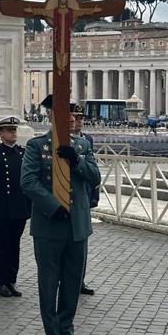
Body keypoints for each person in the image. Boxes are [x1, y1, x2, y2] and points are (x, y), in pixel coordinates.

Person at [21, 95, 100, 335]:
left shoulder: (82, 145)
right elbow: (28, 181)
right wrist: (52, 207)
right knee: (49, 282)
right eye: (63, 113)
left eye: (72, 114)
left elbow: (95, 177)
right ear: (51, 116)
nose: (69, 118)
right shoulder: (37, 145)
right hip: (50, 225)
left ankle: (67, 331)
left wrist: (76, 161)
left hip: (78, 225)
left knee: (71, 282)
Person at [0, 116, 31, 297]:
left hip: (18, 209)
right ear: (1, 133)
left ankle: (12, 280)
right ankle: (1, 282)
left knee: (14, 246)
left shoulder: (22, 153)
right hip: (1, 209)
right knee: (1, 246)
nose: (13, 132)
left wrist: (28, 208)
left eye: (15, 129)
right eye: (9, 130)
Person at [72, 104, 97, 296]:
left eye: (81, 118)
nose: (79, 121)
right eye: (75, 117)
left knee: (82, 243)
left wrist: (94, 197)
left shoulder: (87, 140)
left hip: (84, 198)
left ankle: (79, 280)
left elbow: (93, 171)